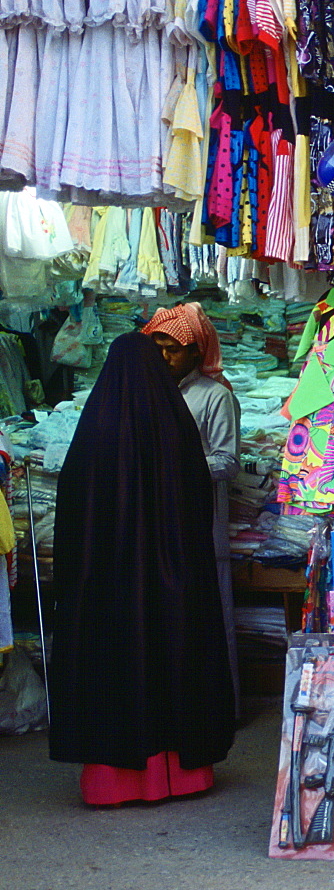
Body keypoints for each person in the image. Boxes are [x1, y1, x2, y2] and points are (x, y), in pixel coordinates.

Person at [49, 333, 235, 804]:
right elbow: (198, 496)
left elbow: (72, 509)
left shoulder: (95, 428)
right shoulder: (174, 424)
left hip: (110, 584)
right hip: (173, 579)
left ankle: (113, 782)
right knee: (173, 662)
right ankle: (181, 776)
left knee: (117, 668)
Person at [143, 302, 241, 713]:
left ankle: (224, 707)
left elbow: (228, 461)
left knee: (212, 613)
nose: (165, 356)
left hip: (203, 521)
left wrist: (177, 466)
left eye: (174, 349)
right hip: (160, 522)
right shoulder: (149, 392)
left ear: (196, 352)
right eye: (159, 347)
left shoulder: (214, 397)